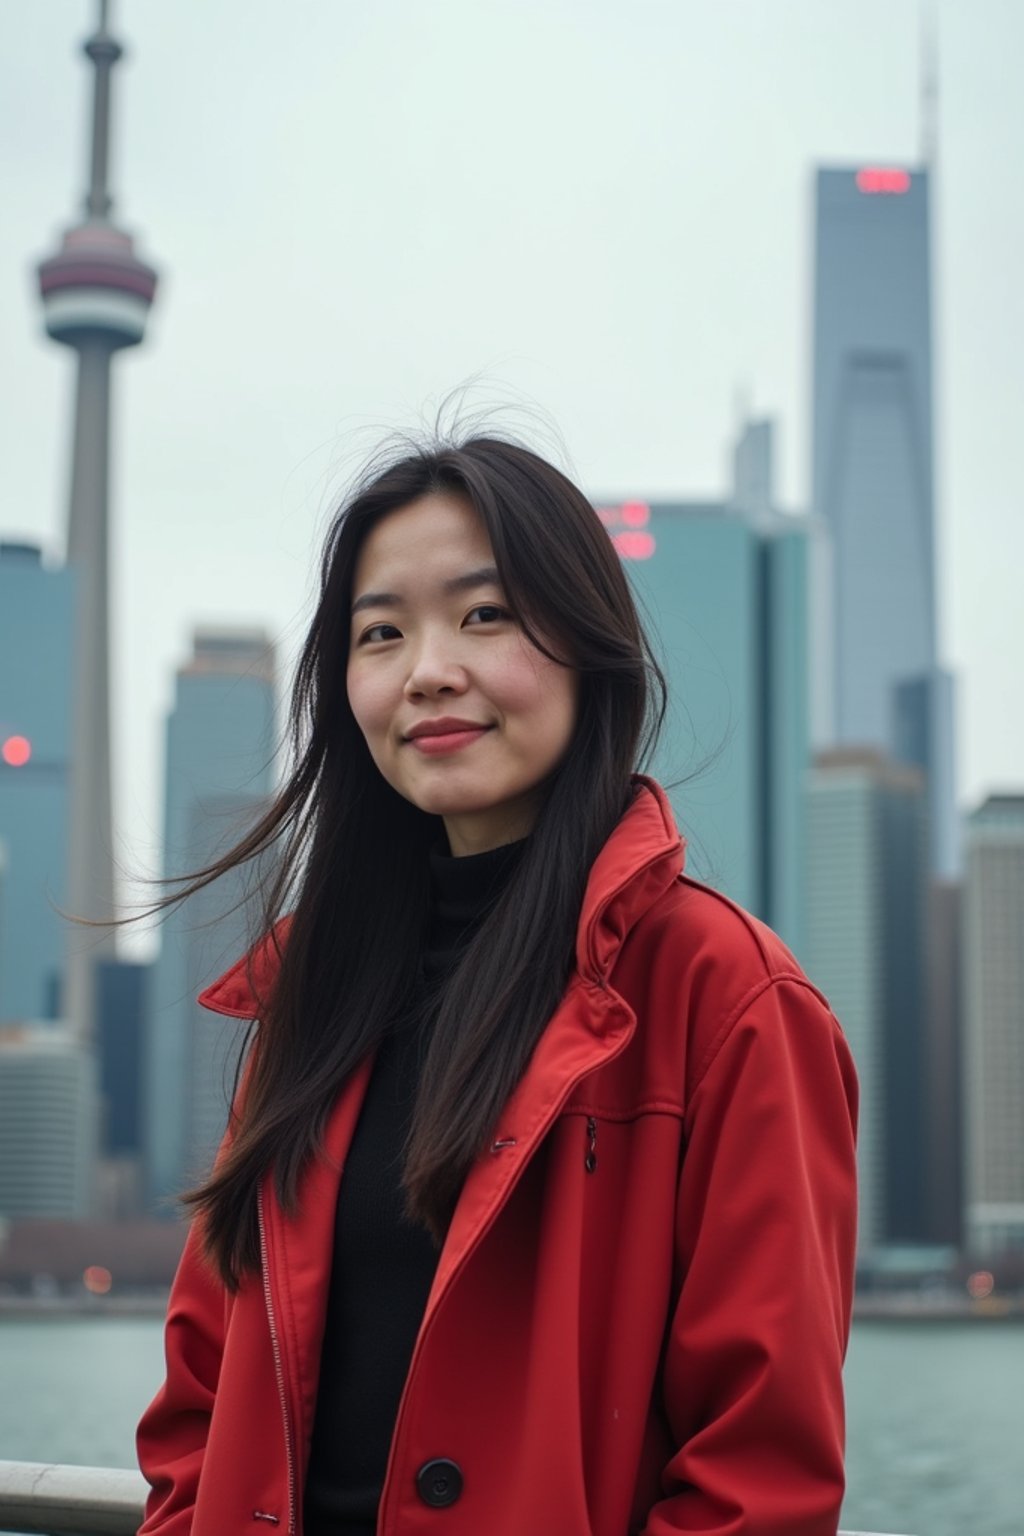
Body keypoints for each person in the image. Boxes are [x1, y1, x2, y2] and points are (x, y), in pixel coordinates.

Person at [136, 433, 858, 1536]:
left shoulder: (724, 1000)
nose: (427, 668)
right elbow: (200, 1396)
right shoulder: (306, 999)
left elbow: (757, 1479)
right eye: (381, 634)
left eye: (484, 615)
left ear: (588, 645)